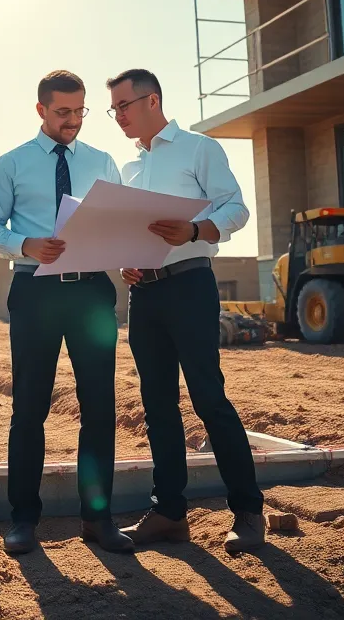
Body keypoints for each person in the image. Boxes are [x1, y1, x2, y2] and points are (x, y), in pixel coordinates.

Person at [105, 67, 266, 554]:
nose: (117, 117)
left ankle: (249, 513)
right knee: (157, 407)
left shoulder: (199, 147)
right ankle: (170, 514)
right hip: (144, 295)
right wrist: (124, 261)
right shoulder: (128, 169)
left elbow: (236, 208)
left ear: (152, 101)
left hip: (190, 285)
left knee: (208, 400)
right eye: (113, 109)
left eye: (123, 106)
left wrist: (196, 232)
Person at [0, 69, 133, 555]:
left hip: (91, 294)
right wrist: (26, 243)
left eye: (80, 111)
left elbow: (121, 224)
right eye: (63, 112)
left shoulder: (103, 161)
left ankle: (98, 519)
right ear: (41, 110)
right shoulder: (11, 163)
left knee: (99, 408)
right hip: (34, 292)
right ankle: (24, 518)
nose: (73, 121)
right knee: (29, 409)